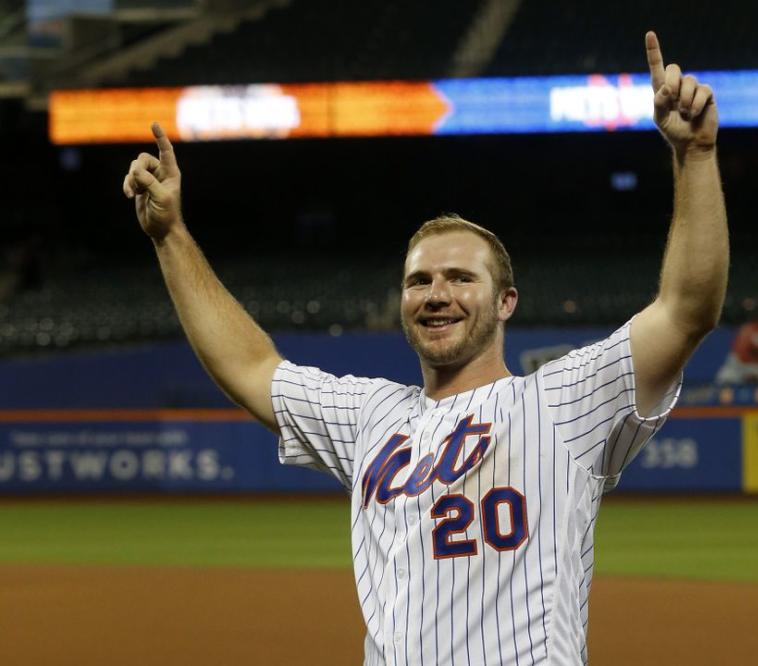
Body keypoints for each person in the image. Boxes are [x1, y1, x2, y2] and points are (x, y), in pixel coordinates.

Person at [123, 31, 727, 666]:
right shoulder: (370, 418)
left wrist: (697, 156)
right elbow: (250, 366)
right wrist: (170, 236)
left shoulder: (563, 401)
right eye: (419, 281)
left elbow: (688, 310)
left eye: (462, 278)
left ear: (506, 302)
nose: (436, 294)